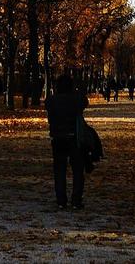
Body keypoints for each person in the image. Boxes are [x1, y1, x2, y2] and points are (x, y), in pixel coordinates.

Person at [45, 73, 89, 209]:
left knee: (59, 169)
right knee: (77, 170)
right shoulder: (76, 100)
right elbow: (84, 102)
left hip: (57, 137)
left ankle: (61, 200)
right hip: (74, 138)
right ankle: (76, 200)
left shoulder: (51, 101)